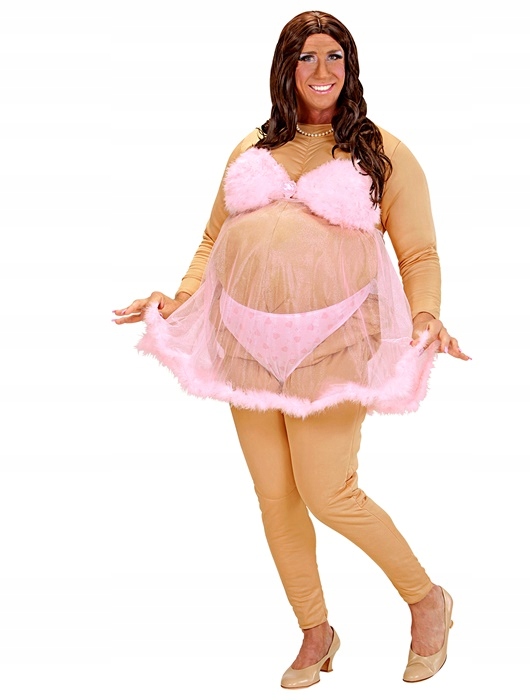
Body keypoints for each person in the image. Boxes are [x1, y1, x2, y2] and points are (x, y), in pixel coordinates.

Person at [113, 10, 469, 689]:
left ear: (351, 66)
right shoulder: (252, 147)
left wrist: (426, 314)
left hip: (335, 349)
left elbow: (419, 253)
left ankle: (427, 600)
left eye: (335, 56)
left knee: (329, 492)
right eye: (307, 57)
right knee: (275, 496)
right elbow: (213, 241)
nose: (322, 70)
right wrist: (179, 298)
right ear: (286, 67)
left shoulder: (381, 152)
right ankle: (315, 630)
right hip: (246, 345)